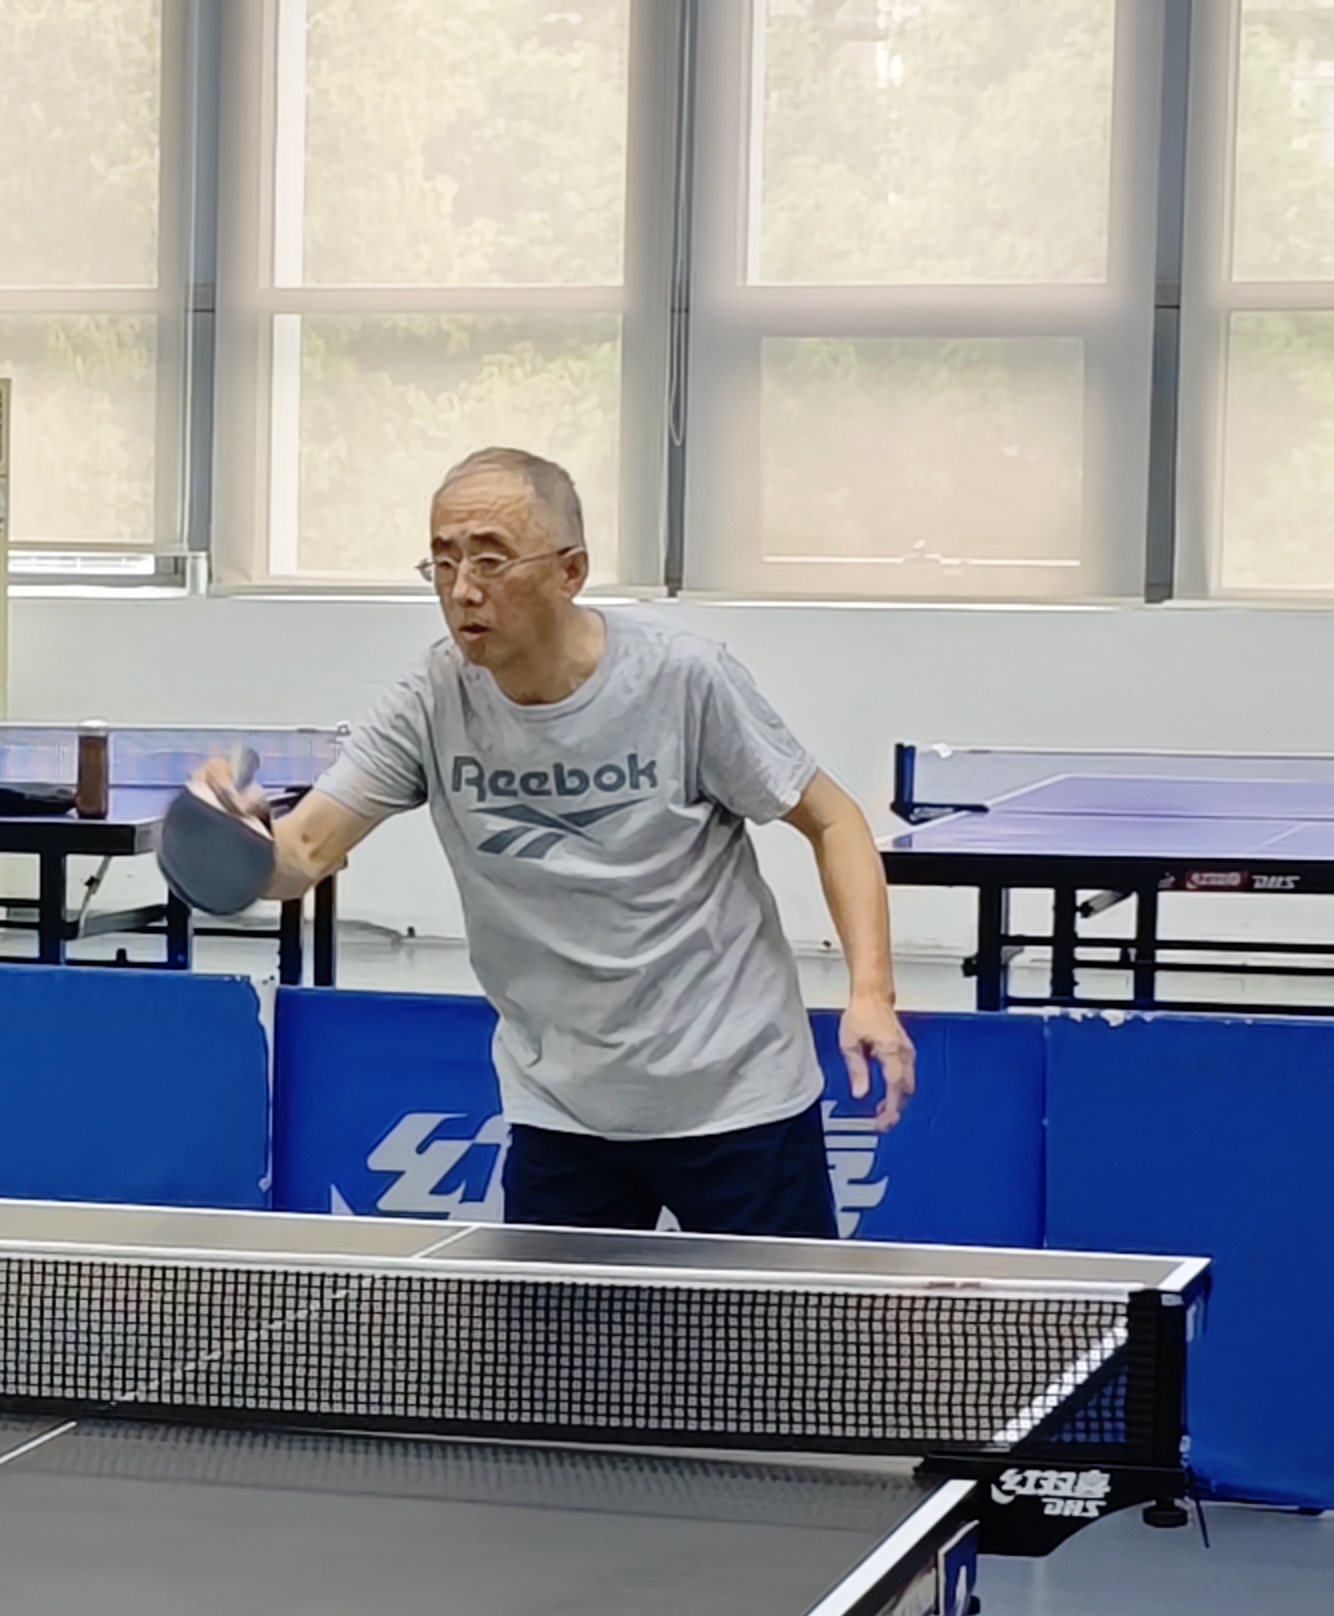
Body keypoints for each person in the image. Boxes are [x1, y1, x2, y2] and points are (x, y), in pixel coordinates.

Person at [206, 446, 916, 1237]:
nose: (462, 590)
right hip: (564, 1113)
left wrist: (871, 994)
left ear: (571, 570)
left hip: (738, 1094)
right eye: (443, 562)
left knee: (777, 1325)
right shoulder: (430, 700)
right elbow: (301, 855)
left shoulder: (683, 679)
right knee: (554, 1327)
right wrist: (237, 841)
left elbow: (833, 820)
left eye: (490, 560)